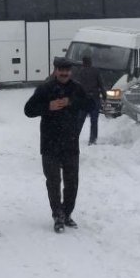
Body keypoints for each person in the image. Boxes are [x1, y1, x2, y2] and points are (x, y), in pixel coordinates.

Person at [24, 57, 93, 233]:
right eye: (61, 70)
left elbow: (91, 105)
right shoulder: (45, 88)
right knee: (53, 182)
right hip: (49, 144)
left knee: (72, 183)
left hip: (70, 143)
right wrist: (48, 106)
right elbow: (28, 110)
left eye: (67, 71)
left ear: (71, 72)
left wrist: (71, 102)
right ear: (55, 71)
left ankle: (67, 212)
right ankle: (57, 215)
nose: (64, 73)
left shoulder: (77, 88)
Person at [72, 55, 106, 145]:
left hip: (83, 100)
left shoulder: (79, 72)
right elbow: (101, 85)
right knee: (94, 121)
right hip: (94, 99)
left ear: (83, 63)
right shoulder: (96, 71)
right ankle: (92, 140)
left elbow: (76, 86)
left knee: (80, 120)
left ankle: (74, 137)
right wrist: (104, 95)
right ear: (90, 62)